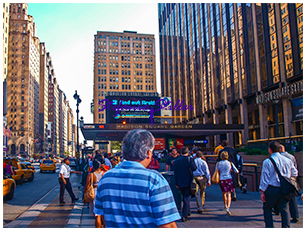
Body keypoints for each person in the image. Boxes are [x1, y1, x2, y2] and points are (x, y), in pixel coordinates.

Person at [94, 129, 180, 228]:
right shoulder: (154, 180)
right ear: (148, 153)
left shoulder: (105, 178)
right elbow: (167, 225)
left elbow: (102, 218)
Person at [259, 141, 298, 228]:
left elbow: (265, 178)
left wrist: (262, 191)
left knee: (267, 208)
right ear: (279, 149)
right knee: (284, 210)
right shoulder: (288, 160)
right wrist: (289, 179)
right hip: (285, 189)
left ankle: (270, 227)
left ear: (270, 150)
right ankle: (286, 227)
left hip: (272, 188)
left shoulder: (267, 162)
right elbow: (295, 173)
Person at [173, 146, 197, 222]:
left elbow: (175, 173)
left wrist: (176, 183)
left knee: (184, 197)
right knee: (187, 198)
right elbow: (194, 168)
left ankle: (187, 211)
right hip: (189, 181)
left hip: (180, 181)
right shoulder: (190, 160)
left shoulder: (176, 161)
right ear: (188, 152)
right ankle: (184, 214)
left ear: (180, 153)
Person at [279, 144, 299, 223]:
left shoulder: (278, 158)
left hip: (282, 179)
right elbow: (295, 167)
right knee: (292, 198)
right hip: (290, 178)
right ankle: (295, 216)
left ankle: (279, 211)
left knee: (280, 198)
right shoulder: (291, 156)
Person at [215, 151, 239, 215]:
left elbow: (216, 171)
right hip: (229, 178)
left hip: (222, 179)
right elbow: (236, 171)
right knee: (229, 193)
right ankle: (228, 207)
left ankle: (225, 205)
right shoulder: (230, 163)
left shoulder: (218, 163)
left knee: (224, 193)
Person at [83, 159, 105, 228]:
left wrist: (84, 196)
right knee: (103, 214)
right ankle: (104, 227)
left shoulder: (91, 174)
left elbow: (87, 186)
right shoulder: (104, 173)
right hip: (102, 192)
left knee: (97, 214)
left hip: (94, 192)